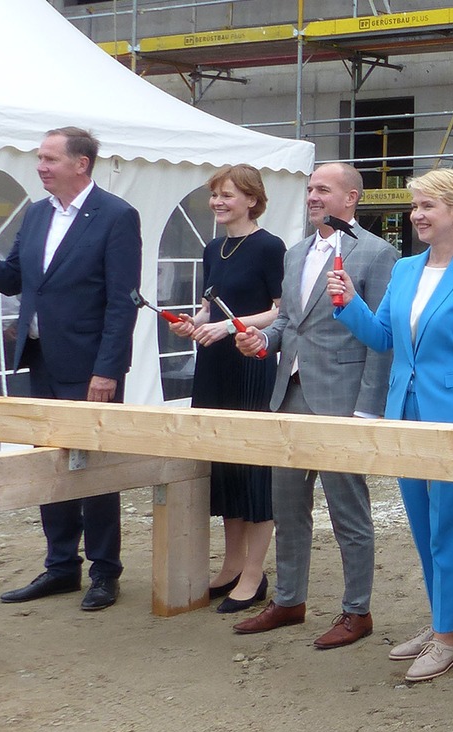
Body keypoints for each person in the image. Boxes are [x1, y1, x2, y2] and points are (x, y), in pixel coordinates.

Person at [0, 126, 141, 612]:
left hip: (91, 367)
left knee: (94, 469)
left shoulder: (116, 216)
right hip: (42, 360)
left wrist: (107, 370)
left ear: (82, 164)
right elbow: (13, 281)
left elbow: (122, 302)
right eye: (40, 158)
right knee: (52, 465)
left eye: (50, 158)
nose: (41, 166)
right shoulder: (35, 214)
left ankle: (104, 571)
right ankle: (60, 566)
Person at [332, 168, 453, 682]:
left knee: (452, 528)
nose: (417, 215)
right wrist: (347, 303)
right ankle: (440, 623)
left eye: (427, 205)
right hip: (405, 415)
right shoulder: (406, 270)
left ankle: (448, 638)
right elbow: (384, 337)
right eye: (415, 206)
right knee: (425, 526)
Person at [229, 163, 398, 650]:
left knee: (349, 511)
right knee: (286, 505)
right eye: (309, 190)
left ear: (351, 199)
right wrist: (262, 340)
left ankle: (356, 611)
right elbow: (292, 325)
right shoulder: (297, 252)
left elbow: (380, 339)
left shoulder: (376, 253)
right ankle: (288, 599)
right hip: (290, 394)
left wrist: (367, 409)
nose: (312, 197)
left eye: (323, 190)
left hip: (341, 401)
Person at [169, 164, 283, 614]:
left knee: (254, 469)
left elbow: (280, 311)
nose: (218, 202)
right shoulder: (212, 247)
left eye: (228, 195)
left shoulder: (270, 246)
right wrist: (192, 325)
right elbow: (206, 306)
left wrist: (225, 327)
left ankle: (255, 573)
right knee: (224, 467)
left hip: (251, 364)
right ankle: (232, 564)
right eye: (215, 195)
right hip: (214, 365)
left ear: (252, 200)